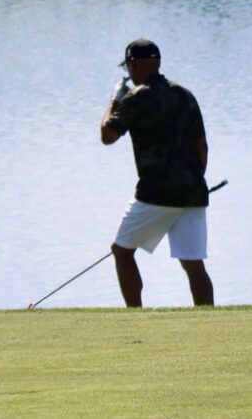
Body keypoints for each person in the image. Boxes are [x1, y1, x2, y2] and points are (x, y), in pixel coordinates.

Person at [99, 39, 213, 307]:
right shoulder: (185, 95)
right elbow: (202, 147)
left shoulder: (136, 98)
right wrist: (194, 182)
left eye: (128, 65)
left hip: (155, 193)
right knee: (194, 264)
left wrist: (114, 101)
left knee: (122, 251)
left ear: (134, 64)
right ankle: (209, 321)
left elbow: (107, 135)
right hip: (193, 191)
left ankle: (135, 315)